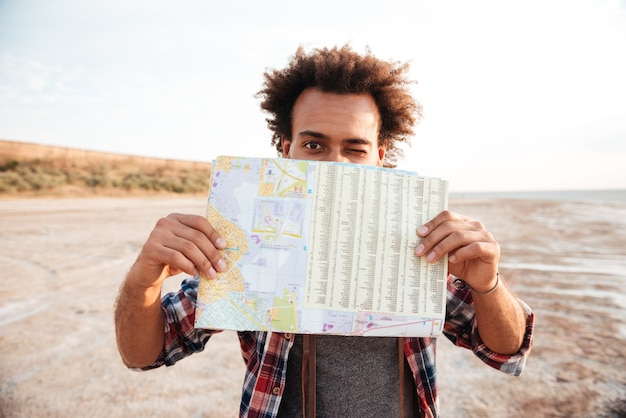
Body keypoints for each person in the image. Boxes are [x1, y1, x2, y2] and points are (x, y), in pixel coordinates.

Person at [114, 45, 534, 418]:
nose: (336, 164)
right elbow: (145, 353)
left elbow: (506, 350)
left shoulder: (416, 240)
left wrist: (488, 283)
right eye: (314, 145)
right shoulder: (244, 238)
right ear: (286, 149)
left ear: (380, 157)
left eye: (355, 149)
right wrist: (143, 277)